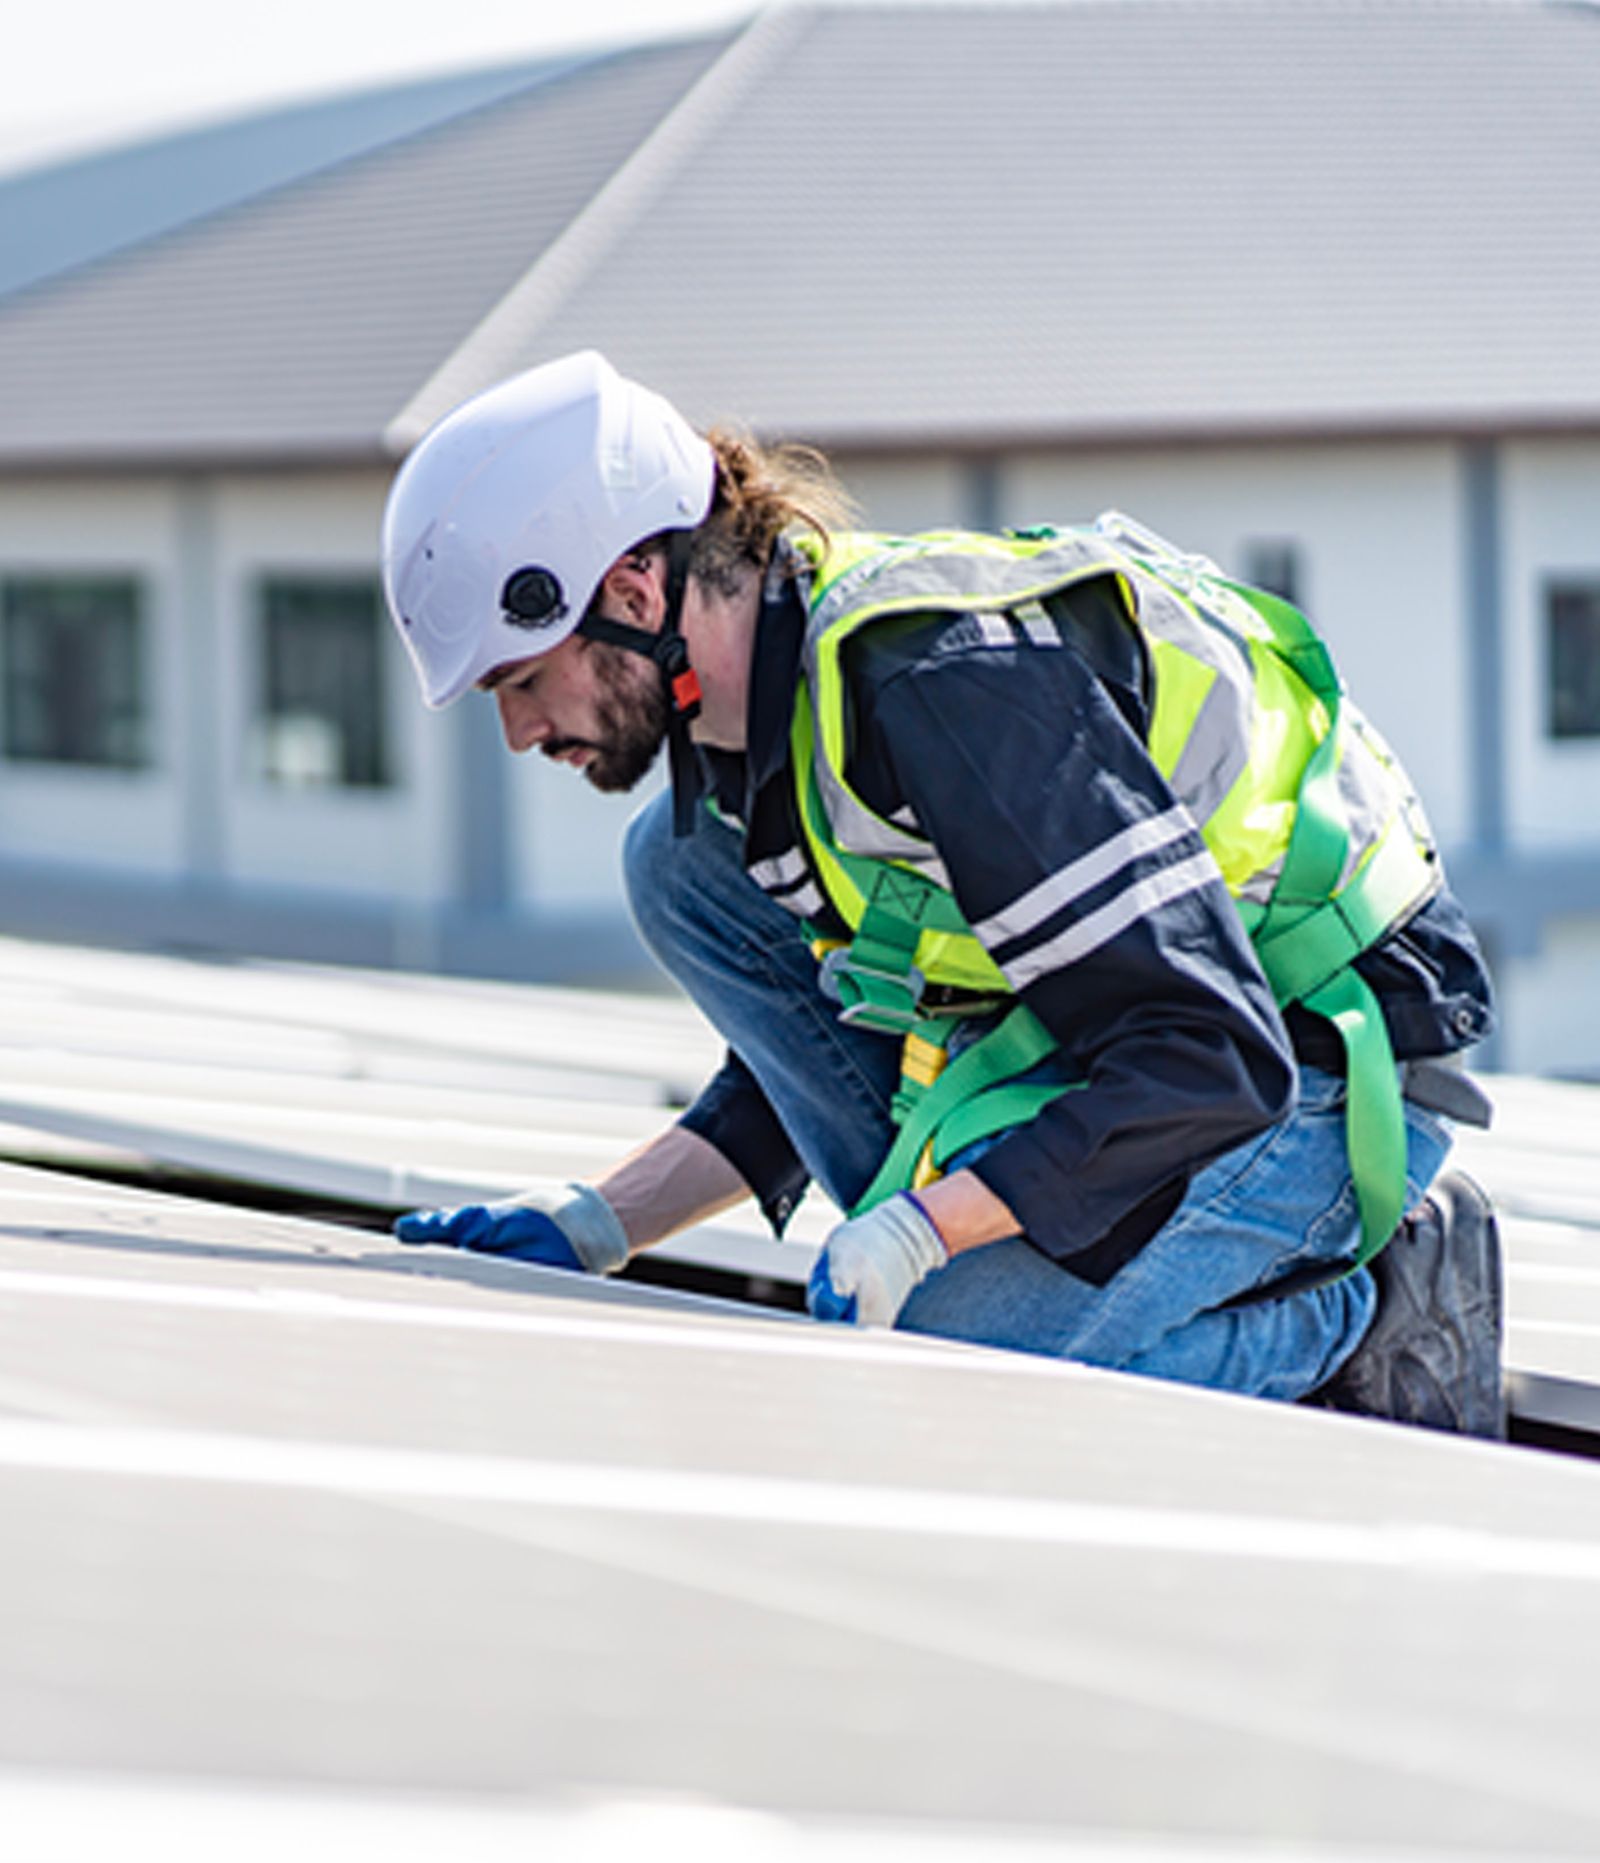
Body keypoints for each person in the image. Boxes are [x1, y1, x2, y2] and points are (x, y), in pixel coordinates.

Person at [380, 349, 1503, 1437]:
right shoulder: (770, 741)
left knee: (951, 1357)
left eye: (522, 679)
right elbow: (820, 1047)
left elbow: (1208, 1056)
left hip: (1313, 1062)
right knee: (675, 867)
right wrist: (600, 1223)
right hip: (1128, 1040)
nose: (521, 730)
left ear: (632, 588)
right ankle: (1009, 1265)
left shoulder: (946, 695)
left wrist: (924, 1234)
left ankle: (1358, 1317)